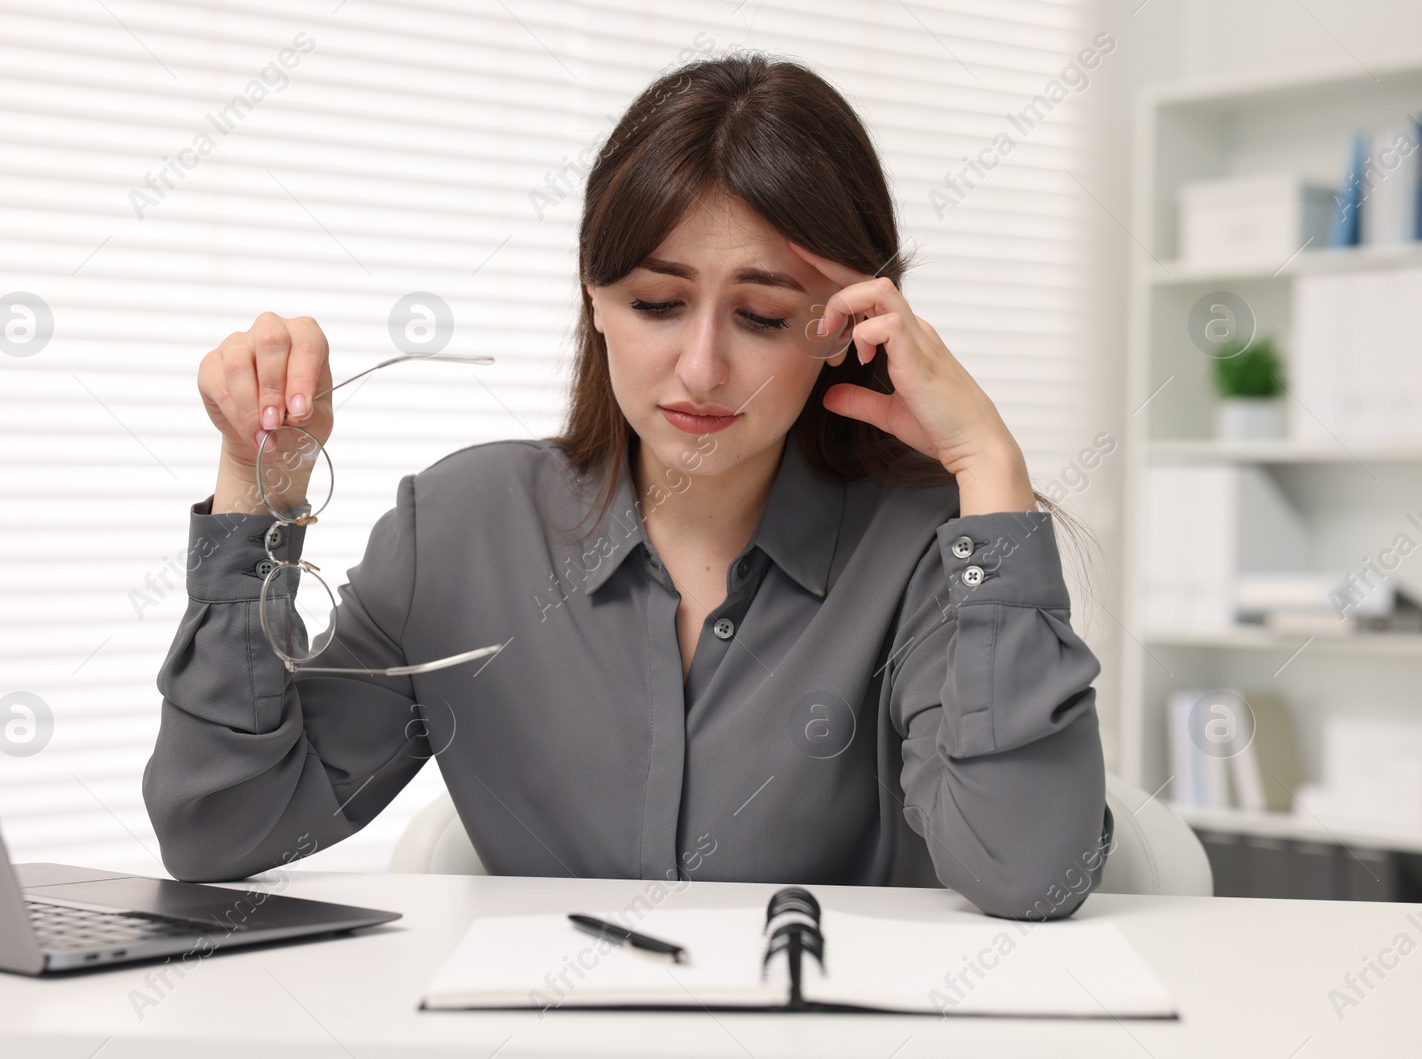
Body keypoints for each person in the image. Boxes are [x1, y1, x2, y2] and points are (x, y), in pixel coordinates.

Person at [143, 50, 1113, 921]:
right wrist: (254, 490)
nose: (699, 367)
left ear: (846, 329)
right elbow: (222, 828)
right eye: (657, 303)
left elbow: (1028, 869)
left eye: (764, 317)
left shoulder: (919, 548)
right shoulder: (456, 529)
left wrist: (990, 470)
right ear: (594, 300)